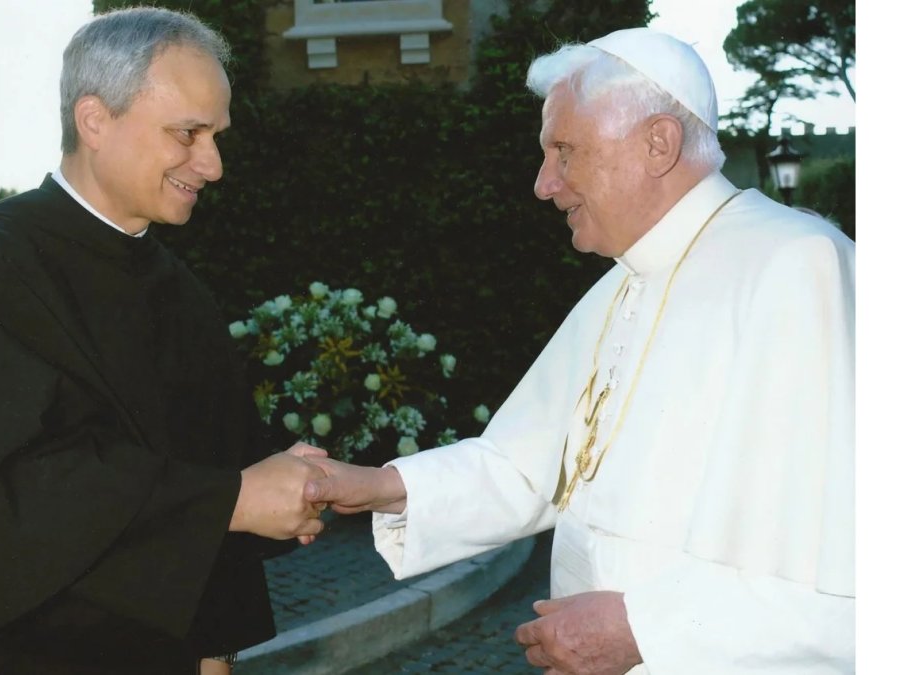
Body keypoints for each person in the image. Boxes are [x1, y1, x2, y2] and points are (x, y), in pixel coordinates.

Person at [304, 27, 855, 674]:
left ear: (658, 143)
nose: (544, 184)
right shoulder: (621, 285)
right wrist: (376, 485)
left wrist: (647, 629)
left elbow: (851, 569)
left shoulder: (798, 265)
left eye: (564, 151)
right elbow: (526, 464)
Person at [0, 8, 328, 674]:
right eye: (188, 133)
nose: (213, 164)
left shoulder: (181, 290)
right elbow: (8, 490)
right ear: (95, 120)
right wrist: (231, 500)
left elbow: (215, 467)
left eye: (216, 136)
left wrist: (217, 649)